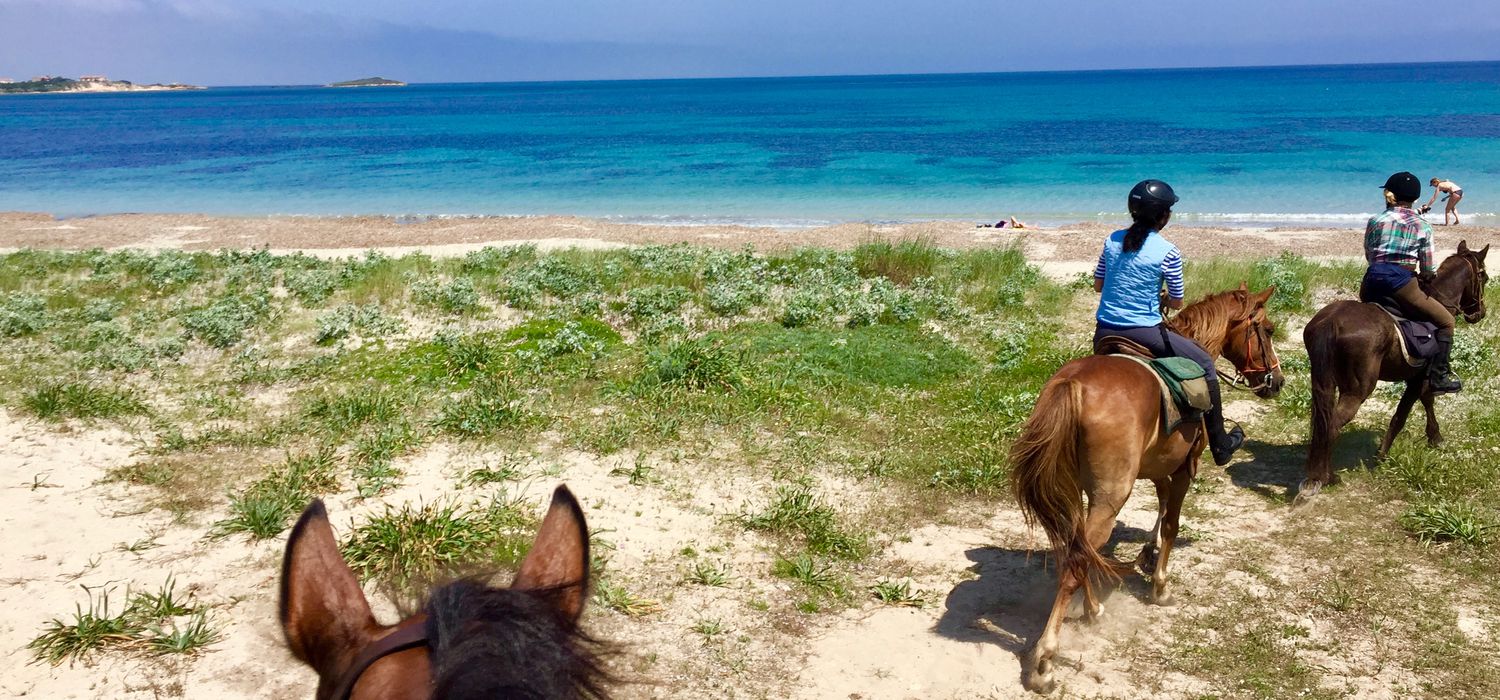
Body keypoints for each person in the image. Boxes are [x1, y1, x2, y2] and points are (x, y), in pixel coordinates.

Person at [1092, 179, 1244, 466]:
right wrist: (1161, 296)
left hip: (1104, 333)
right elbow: (1177, 301)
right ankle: (1221, 444)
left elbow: (1098, 285)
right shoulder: (1168, 251)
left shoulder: (1111, 240)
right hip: (1145, 333)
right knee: (1206, 364)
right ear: (1163, 216)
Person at [1361, 171, 1461, 393]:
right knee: (1446, 322)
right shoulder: (1422, 225)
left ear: (1390, 194)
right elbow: (1427, 267)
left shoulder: (1376, 220)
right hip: (1400, 282)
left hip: (1371, 280)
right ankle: (1439, 377)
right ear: (1415, 198)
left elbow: (1369, 253)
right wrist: (1426, 275)